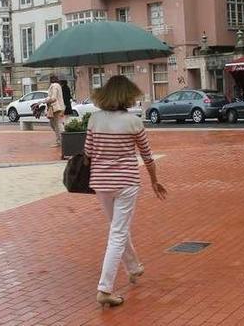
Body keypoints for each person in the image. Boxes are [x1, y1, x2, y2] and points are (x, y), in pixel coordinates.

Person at [85, 75, 167, 308]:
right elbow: (147, 157)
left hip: (101, 184)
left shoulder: (94, 119)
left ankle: (134, 267)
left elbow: (88, 153)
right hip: (127, 184)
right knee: (118, 233)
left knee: (117, 229)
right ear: (127, 96)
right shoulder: (134, 122)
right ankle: (105, 288)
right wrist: (154, 181)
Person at [42, 74, 65, 147]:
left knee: (56, 124)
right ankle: (61, 140)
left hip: (56, 108)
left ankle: (60, 140)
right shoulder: (58, 85)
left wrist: (45, 101)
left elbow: (54, 98)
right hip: (59, 107)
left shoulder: (54, 86)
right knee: (56, 124)